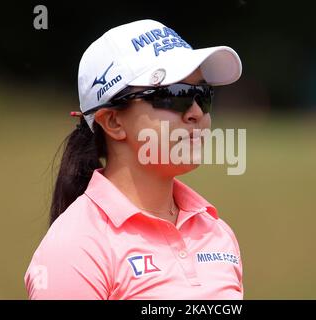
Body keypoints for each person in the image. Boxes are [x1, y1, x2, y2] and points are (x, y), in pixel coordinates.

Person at [24, 19, 243, 300]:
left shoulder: (217, 232)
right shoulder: (75, 248)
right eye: (174, 95)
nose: (197, 113)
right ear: (113, 121)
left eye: (203, 95)